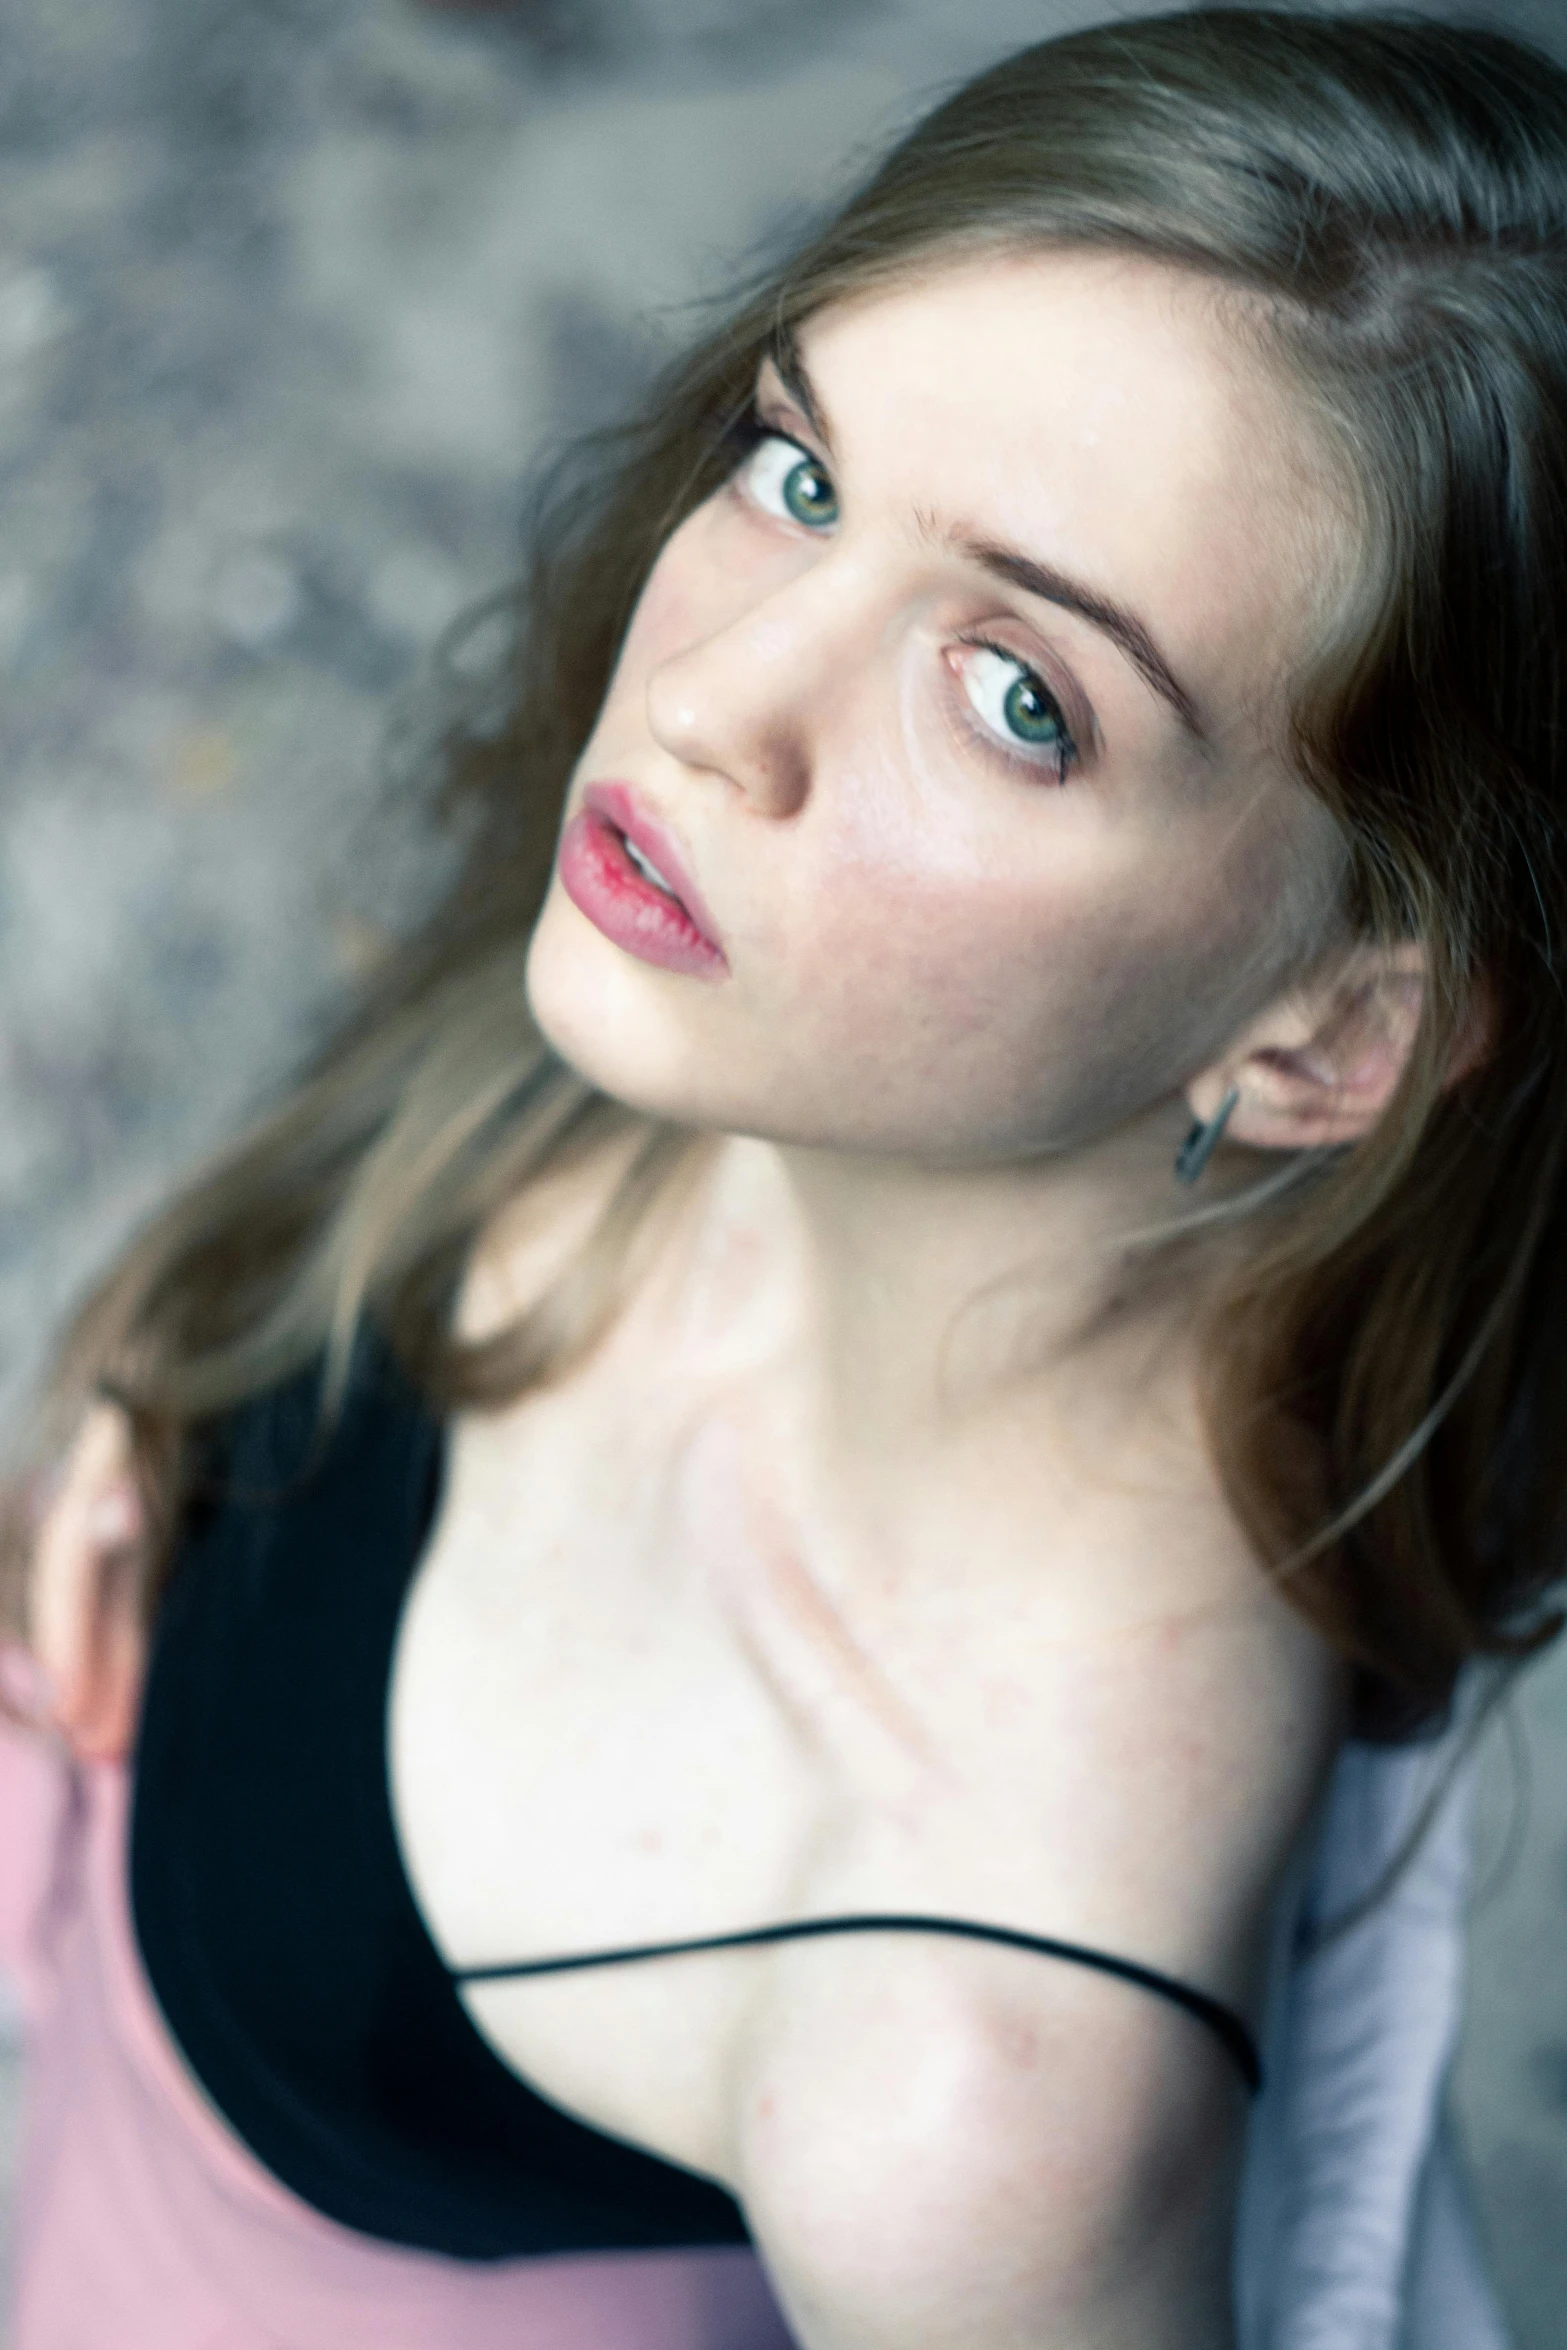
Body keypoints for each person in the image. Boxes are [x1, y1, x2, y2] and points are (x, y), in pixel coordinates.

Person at [1, 6, 1562, 2343]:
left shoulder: (973, 2085)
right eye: (799, 469)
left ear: (1332, 1029)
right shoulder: (748, 1022)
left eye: (1020, 693)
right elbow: (374, 1163)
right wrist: (165, 1380)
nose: (719, 701)